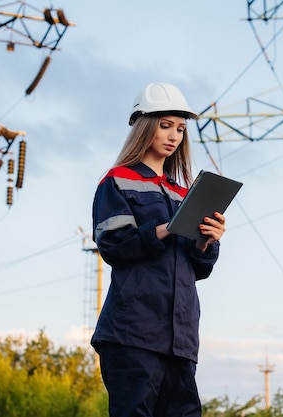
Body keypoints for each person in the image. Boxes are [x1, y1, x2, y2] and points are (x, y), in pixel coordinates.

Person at [90, 82, 226, 416]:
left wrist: (208, 240)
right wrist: (167, 228)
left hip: (180, 340)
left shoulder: (184, 193)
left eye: (180, 129)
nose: (173, 136)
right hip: (132, 334)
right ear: (143, 127)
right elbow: (115, 246)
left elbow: (200, 268)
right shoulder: (116, 181)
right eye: (165, 125)